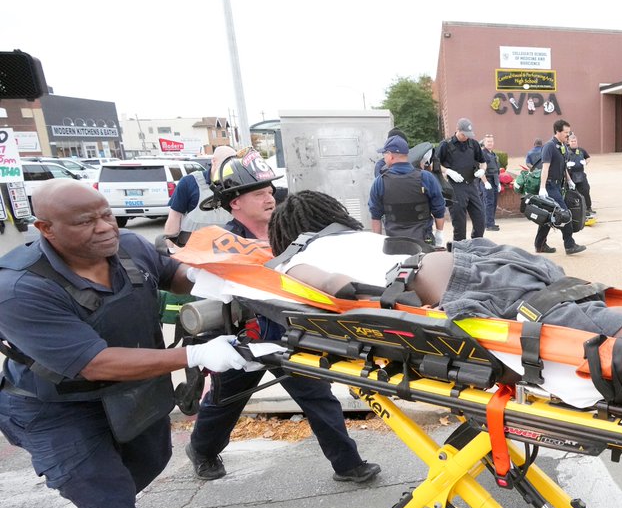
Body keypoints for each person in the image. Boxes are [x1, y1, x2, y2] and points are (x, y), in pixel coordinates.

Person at [265, 192, 622, 476]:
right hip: (475, 255)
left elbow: (339, 292)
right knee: (588, 302)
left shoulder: (299, 259)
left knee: (590, 334)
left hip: (452, 282)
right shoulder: (355, 234)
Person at [0, 179, 257, 508]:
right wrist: (193, 354)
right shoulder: (20, 288)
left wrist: (204, 278)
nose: (104, 227)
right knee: (106, 498)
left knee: (151, 460)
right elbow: (94, 362)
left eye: (105, 214)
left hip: (130, 391)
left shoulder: (130, 246)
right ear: (46, 227)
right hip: (54, 407)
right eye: (85, 222)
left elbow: (170, 273)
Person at [185, 150, 382, 485]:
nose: (269, 198)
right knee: (224, 401)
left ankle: (348, 464)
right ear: (235, 203)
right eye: (258, 193)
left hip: (291, 333)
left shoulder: (292, 229)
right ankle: (202, 451)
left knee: (318, 396)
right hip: (247, 337)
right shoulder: (222, 244)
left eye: (270, 191)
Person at [368, 135, 446, 248]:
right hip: (423, 244)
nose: (384, 157)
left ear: (390, 156)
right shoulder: (426, 178)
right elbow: (439, 209)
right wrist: (439, 234)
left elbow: (375, 216)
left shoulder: (380, 182)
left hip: (394, 245)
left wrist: (377, 244)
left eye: (384, 154)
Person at [535, 120, 586, 256]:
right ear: (557, 131)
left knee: (547, 217)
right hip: (549, 186)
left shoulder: (562, 146)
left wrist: (569, 181)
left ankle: (539, 245)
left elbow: (563, 167)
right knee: (565, 214)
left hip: (558, 185)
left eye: (569, 132)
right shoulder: (549, 147)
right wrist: (542, 188)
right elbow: (545, 168)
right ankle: (569, 245)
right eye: (566, 132)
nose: (568, 135)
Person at [163, 145, 237, 236]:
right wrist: (171, 248)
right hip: (192, 247)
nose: (229, 167)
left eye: (232, 164)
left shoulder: (237, 184)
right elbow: (174, 217)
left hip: (230, 247)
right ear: (213, 161)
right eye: (225, 163)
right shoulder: (189, 182)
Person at [437, 118, 487, 241]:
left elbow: (483, 162)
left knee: (480, 218)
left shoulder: (473, 144)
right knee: (459, 223)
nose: (466, 137)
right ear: (457, 130)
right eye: (464, 134)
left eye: (468, 135)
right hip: (455, 187)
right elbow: (435, 164)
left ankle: (476, 244)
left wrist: (483, 170)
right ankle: (460, 250)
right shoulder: (446, 145)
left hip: (471, 185)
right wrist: (448, 171)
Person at [566, 133, 595, 220]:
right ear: (569, 142)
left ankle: (588, 207)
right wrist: (567, 164)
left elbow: (588, 157)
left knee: (585, 190)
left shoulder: (581, 150)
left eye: (575, 141)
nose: (574, 143)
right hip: (570, 175)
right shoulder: (566, 151)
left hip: (580, 174)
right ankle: (573, 209)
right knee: (571, 193)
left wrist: (585, 162)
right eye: (572, 141)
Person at [481, 134, 502, 231]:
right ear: (484, 143)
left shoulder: (493, 154)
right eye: (488, 141)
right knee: (488, 202)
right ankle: (488, 224)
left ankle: (491, 222)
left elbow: (497, 170)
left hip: (494, 181)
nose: (490, 143)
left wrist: (499, 183)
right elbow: (481, 169)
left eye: (491, 141)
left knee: (493, 202)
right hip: (487, 180)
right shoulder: (482, 154)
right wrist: (485, 182)